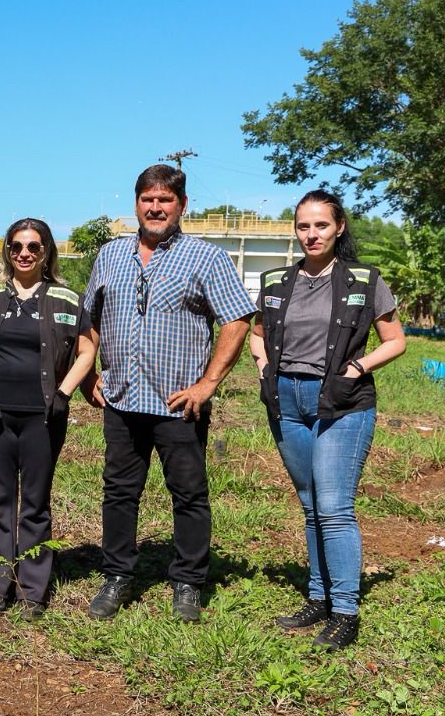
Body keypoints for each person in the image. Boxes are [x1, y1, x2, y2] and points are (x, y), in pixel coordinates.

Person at [80, 165, 255, 622]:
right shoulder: (110, 255)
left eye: (165, 200)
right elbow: (90, 319)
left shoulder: (206, 258)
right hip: (121, 397)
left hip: (178, 403)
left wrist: (207, 384)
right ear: (136, 202)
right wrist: (86, 374)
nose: (155, 208)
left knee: (189, 493)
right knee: (119, 491)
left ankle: (188, 582)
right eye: (147, 199)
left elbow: (237, 320)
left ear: (182, 205)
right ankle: (117, 574)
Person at [248, 190, 405, 649]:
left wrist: (357, 368)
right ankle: (319, 596)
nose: (312, 234)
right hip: (286, 401)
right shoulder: (276, 281)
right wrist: (264, 369)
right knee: (311, 503)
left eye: (321, 225)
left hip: (341, 401)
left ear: (339, 227)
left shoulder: (365, 279)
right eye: (303, 226)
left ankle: (345, 612)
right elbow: (257, 335)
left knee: (334, 506)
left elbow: (395, 340)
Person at [0, 218, 97, 618]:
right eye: (16, 246)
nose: (24, 253)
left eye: (33, 247)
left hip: (44, 416)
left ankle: (32, 591)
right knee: (0, 500)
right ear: (7, 251)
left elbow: (88, 350)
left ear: (46, 252)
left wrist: (64, 392)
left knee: (35, 502)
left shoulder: (66, 299)